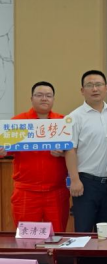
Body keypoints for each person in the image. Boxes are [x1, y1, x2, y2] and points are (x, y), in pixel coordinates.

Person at [0, 82, 70, 231]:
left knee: (57, 235)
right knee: (28, 238)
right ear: (31, 98)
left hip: (56, 191)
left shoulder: (62, 122)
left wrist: (63, 154)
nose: (44, 98)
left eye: (48, 95)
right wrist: (2, 152)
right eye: (39, 95)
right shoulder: (17, 122)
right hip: (26, 191)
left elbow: (74, 153)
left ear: (53, 99)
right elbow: (6, 150)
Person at [64, 70, 107, 233]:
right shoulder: (74, 117)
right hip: (86, 183)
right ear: (82, 90)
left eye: (98, 85)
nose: (95, 89)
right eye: (89, 85)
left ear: (106, 88)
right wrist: (75, 180)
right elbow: (70, 150)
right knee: (84, 231)